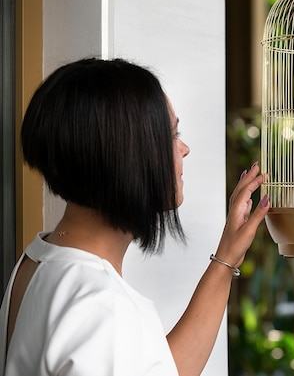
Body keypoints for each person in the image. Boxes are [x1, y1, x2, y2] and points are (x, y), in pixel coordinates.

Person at [0, 57, 270, 376]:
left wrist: (227, 255)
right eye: (171, 135)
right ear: (127, 153)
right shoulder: (99, 304)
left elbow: (160, 368)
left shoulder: (38, 261)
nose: (184, 148)